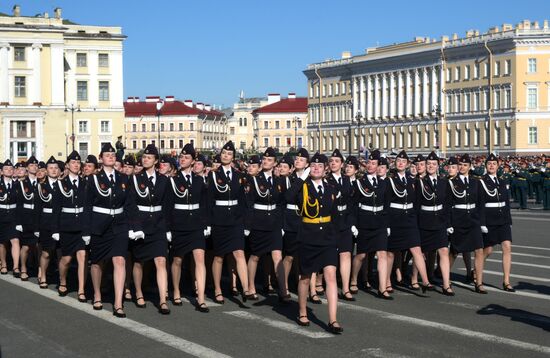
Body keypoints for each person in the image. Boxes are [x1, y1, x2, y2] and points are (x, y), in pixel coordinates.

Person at [285, 152, 343, 334]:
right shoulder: (303, 186)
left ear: (326, 169)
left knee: (331, 276)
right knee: (305, 278)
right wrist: (301, 178)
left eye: (320, 166)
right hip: (308, 236)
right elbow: (288, 197)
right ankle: (302, 311)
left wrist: (337, 237)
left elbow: (335, 215)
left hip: (327, 236)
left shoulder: (331, 188)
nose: (316, 168)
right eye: (313, 166)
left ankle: (333, 319)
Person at [83, 143, 131, 317]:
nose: (111, 157)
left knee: (119, 261)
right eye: (107, 154)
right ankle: (97, 293)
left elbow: (128, 204)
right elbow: (87, 206)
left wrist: (133, 226)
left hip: (119, 224)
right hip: (99, 224)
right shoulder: (93, 179)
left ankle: (118, 303)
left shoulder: (123, 178)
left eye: (113, 154)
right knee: (97, 263)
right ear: (101, 158)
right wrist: (86, 231)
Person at [127, 144, 171, 315]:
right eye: (144, 157)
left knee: (160, 261)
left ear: (156, 161)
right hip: (142, 225)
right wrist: (135, 227)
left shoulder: (163, 180)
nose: (145, 160)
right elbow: (131, 205)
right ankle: (138, 292)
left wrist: (168, 228)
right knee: (139, 261)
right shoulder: (135, 179)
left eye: (149, 158)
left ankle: (162, 300)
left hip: (158, 224)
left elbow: (167, 206)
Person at [166, 143, 209, 312]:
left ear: (193, 161)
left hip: (196, 224)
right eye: (181, 157)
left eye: (186, 157)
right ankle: (176, 290)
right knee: (178, 259)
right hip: (179, 224)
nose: (183, 159)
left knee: (200, 258)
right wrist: (168, 228)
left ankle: (201, 298)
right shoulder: (173, 181)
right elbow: (168, 205)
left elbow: (205, 204)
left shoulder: (199, 180)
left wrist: (206, 224)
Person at [207, 141, 250, 304]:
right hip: (219, 219)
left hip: (235, 219)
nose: (226, 156)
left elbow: (243, 200)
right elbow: (209, 199)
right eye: (224, 153)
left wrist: (246, 223)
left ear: (233, 157)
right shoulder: (213, 174)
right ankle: (218, 289)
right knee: (219, 257)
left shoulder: (239, 175)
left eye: (229, 154)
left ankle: (245, 288)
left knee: (239, 253)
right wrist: (209, 223)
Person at [385, 150, 432, 293]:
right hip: (395, 218)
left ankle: (425, 281)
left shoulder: (413, 181)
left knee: (416, 249)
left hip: (410, 218)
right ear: (394, 163)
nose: (400, 163)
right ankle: (386, 281)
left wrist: (417, 220)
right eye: (398, 161)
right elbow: (386, 203)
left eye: (403, 162)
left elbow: (417, 202)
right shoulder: (389, 181)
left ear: (407, 165)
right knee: (391, 253)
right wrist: (386, 224)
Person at [245, 147, 288, 302]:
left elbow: (282, 203)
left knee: (277, 255)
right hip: (259, 221)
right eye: (264, 159)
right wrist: (248, 226)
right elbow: (249, 204)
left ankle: (283, 290)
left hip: (274, 222)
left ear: (275, 163)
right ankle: (250, 287)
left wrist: (282, 224)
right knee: (256, 256)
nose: (265, 161)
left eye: (269, 160)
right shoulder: (254, 180)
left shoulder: (279, 181)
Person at [350, 150, 392, 299]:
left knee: (382, 254)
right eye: (368, 163)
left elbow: (386, 205)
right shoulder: (359, 183)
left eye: (374, 163)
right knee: (361, 255)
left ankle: (382, 288)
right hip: (364, 221)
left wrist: (387, 225)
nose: (370, 165)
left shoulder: (383, 183)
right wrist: (353, 224)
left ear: (379, 166)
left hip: (379, 221)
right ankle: (354, 278)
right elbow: (354, 205)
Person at [414, 151, 454, 296]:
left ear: (438, 166)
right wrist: (416, 225)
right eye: (428, 164)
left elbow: (448, 203)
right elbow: (417, 205)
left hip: (440, 221)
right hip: (425, 220)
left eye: (433, 164)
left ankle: (446, 284)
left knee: (443, 251)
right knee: (421, 253)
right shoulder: (420, 182)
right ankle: (415, 278)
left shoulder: (444, 182)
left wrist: (448, 223)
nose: (431, 166)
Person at [52, 151, 88, 301]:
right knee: (66, 259)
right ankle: (63, 280)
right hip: (66, 226)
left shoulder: (86, 183)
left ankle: (81, 289)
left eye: (78, 163)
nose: (76, 165)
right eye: (73, 162)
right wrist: (55, 230)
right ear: (67, 165)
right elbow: (55, 209)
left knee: (82, 257)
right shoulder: (61, 184)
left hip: (82, 226)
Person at [448, 154, 487, 294]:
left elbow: (481, 204)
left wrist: (482, 222)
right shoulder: (452, 182)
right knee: (454, 251)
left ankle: (479, 282)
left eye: (465, 165)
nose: (462, 167)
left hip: (473, 220)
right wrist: (449, 223)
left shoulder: (476, 182)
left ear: (470, 167)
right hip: (458, 219)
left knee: (479, 250)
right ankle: (444, 277)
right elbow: (448, 204)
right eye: (461, 165)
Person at [480, 153, 514, 292]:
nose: (492, 166)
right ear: (486, 166)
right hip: (490, 220)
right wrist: (482, 223)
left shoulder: (502, 181)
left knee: (507, 246)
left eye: (494, 164)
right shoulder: (481, 181)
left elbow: (506, 202)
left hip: (503, 220)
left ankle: (506, 281)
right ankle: (477, 271)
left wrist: (509, 220)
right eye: (489, 164)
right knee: (487, 250)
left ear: (498, 166)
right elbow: (480, 203)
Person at [326, 149, 355, 302]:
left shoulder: (346, 179)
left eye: (336, 161)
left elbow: (350, 202)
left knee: (346, 254)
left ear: (342, 164)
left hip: (344, 221)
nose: (333, 164)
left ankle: (345, 288)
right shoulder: (326, 180)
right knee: (328, 256)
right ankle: (319, 283)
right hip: (331, 221)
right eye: (331, 161)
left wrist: (351, 223)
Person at [35, 156, 60, 289]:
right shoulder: (41, 187)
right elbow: (37, 209)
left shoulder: (64, 185)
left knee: (61, 252)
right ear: (46, 171)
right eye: (51, 168)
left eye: (56, 168)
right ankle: (43, 274)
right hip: (47, 221)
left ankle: (62, 279)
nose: (54, 170)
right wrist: (37, 228)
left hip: (61, 222)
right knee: (46, 252)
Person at [15, 156, 40, 281]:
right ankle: (23, 268)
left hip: (39, 217)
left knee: (38, 245)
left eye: (36, 166)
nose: (34, 167)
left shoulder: (41, 182)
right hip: (26, 216)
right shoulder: (22, 183)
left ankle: (40, 270)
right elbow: (19, 204)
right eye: (31, 166)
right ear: (27, 168)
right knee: (26, 246)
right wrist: (19, 222)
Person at [0, 159, 21, 276]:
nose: (8, 170)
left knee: (15, 240)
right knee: (2, 243)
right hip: (1, 214)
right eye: (6, 169)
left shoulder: (17, 185)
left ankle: (16, 267)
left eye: (10, 169)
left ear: (13, 171)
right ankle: (3, 264)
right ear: (2, 172)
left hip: (13, 215)